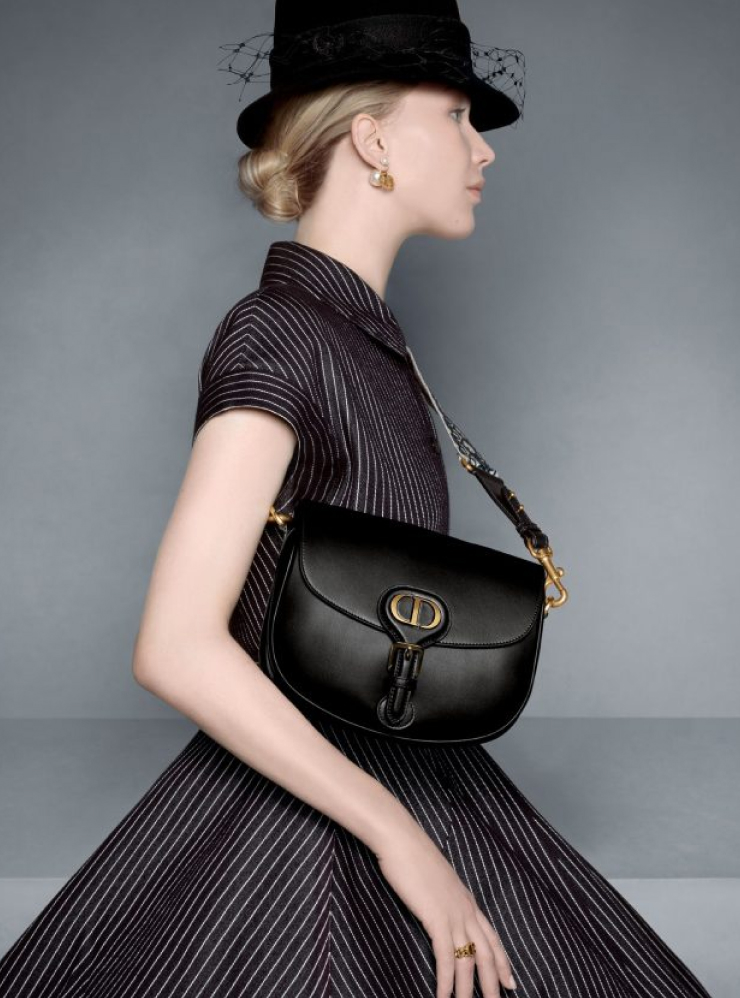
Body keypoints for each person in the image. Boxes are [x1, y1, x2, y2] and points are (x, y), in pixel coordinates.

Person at [0, 3, 715, 997]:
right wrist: (400, 837)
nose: (483, 150)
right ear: (372, 141)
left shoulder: (369, 346)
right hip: (317, 819)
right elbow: (175, 644)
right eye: (455, 116)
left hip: (401, 774)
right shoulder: (279, 332)